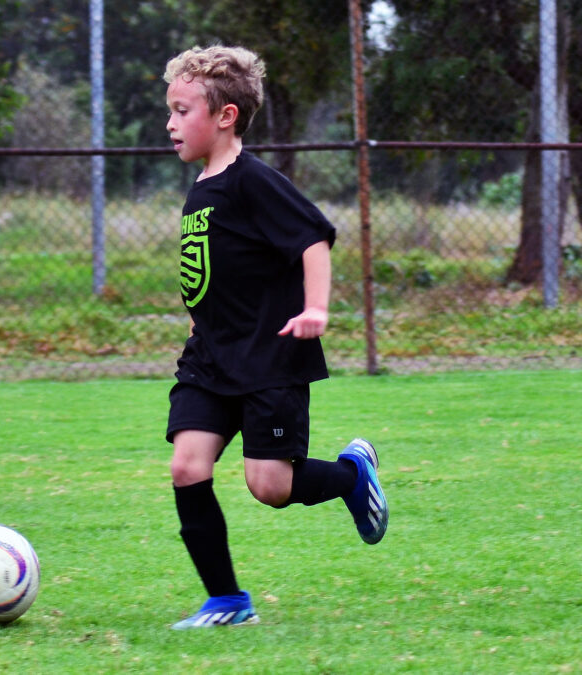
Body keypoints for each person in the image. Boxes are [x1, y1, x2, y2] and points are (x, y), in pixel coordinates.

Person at [162, 45, 388, 629]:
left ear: (225, 116)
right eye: (171, 110)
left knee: (270, 485)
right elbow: (214, 270)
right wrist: (199, 320)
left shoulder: (252, 181)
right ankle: (228, 602)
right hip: (210, 359)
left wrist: (316, 309)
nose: (170, 123)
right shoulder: (202, 189)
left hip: (269, 356)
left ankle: (350, 475)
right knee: (188, 466)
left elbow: (313, 238)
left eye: (182, 110)